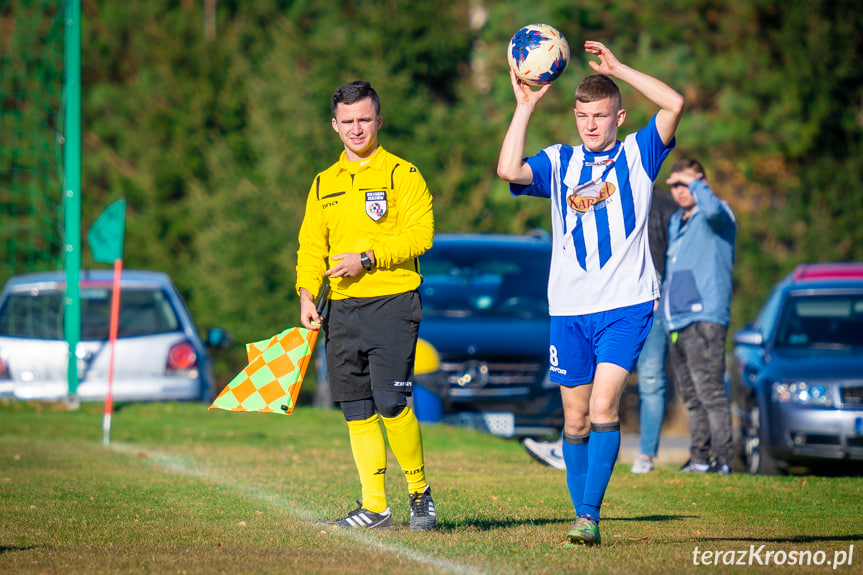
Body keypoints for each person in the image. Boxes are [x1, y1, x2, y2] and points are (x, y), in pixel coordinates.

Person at [498, 41, 684, 547]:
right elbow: (508, 171)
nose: (590, 125)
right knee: (575, 417)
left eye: (600, 116)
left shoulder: (638, 153)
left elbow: (674, 104)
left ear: (619, 117)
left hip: (626, 305)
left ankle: (590, 516)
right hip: (570, 308)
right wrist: (524, 107)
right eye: (583, 116)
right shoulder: (559, 162)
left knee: (604, 407)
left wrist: (622, 68)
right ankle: (580, 512)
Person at [296, 80, 437, 531]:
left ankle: (419, 493)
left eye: (364, 119)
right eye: (347, 121)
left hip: (392, 302)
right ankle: (374, 507)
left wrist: (368, 258)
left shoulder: (402, 174)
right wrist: (304, 293)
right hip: (341, 309)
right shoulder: (323, 184)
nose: (357, 128)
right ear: (334, 126)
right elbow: (310, 246)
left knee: (391, 402)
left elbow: (422, 235)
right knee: (356, 408)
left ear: (379, 120)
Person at [524, 185, 677, 475]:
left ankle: (644, 456)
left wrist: (661, 286)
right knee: (587, 396)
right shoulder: (604, 192)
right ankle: (576, 448)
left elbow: (676, 251)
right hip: (605, 301)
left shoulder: (660, 201)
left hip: (643, 300)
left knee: (646, 382)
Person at [661, 157, 736, 475]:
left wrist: (697, 184)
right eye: (675, 185)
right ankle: (699, 459)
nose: (680, 190)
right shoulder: (679, 220)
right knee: (691, 395)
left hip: (705, 316)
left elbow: (715, 211)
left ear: (701, 182)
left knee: (710, 391)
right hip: (677, 319)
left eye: (686, 183)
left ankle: (722, 459)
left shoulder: (717, 213)